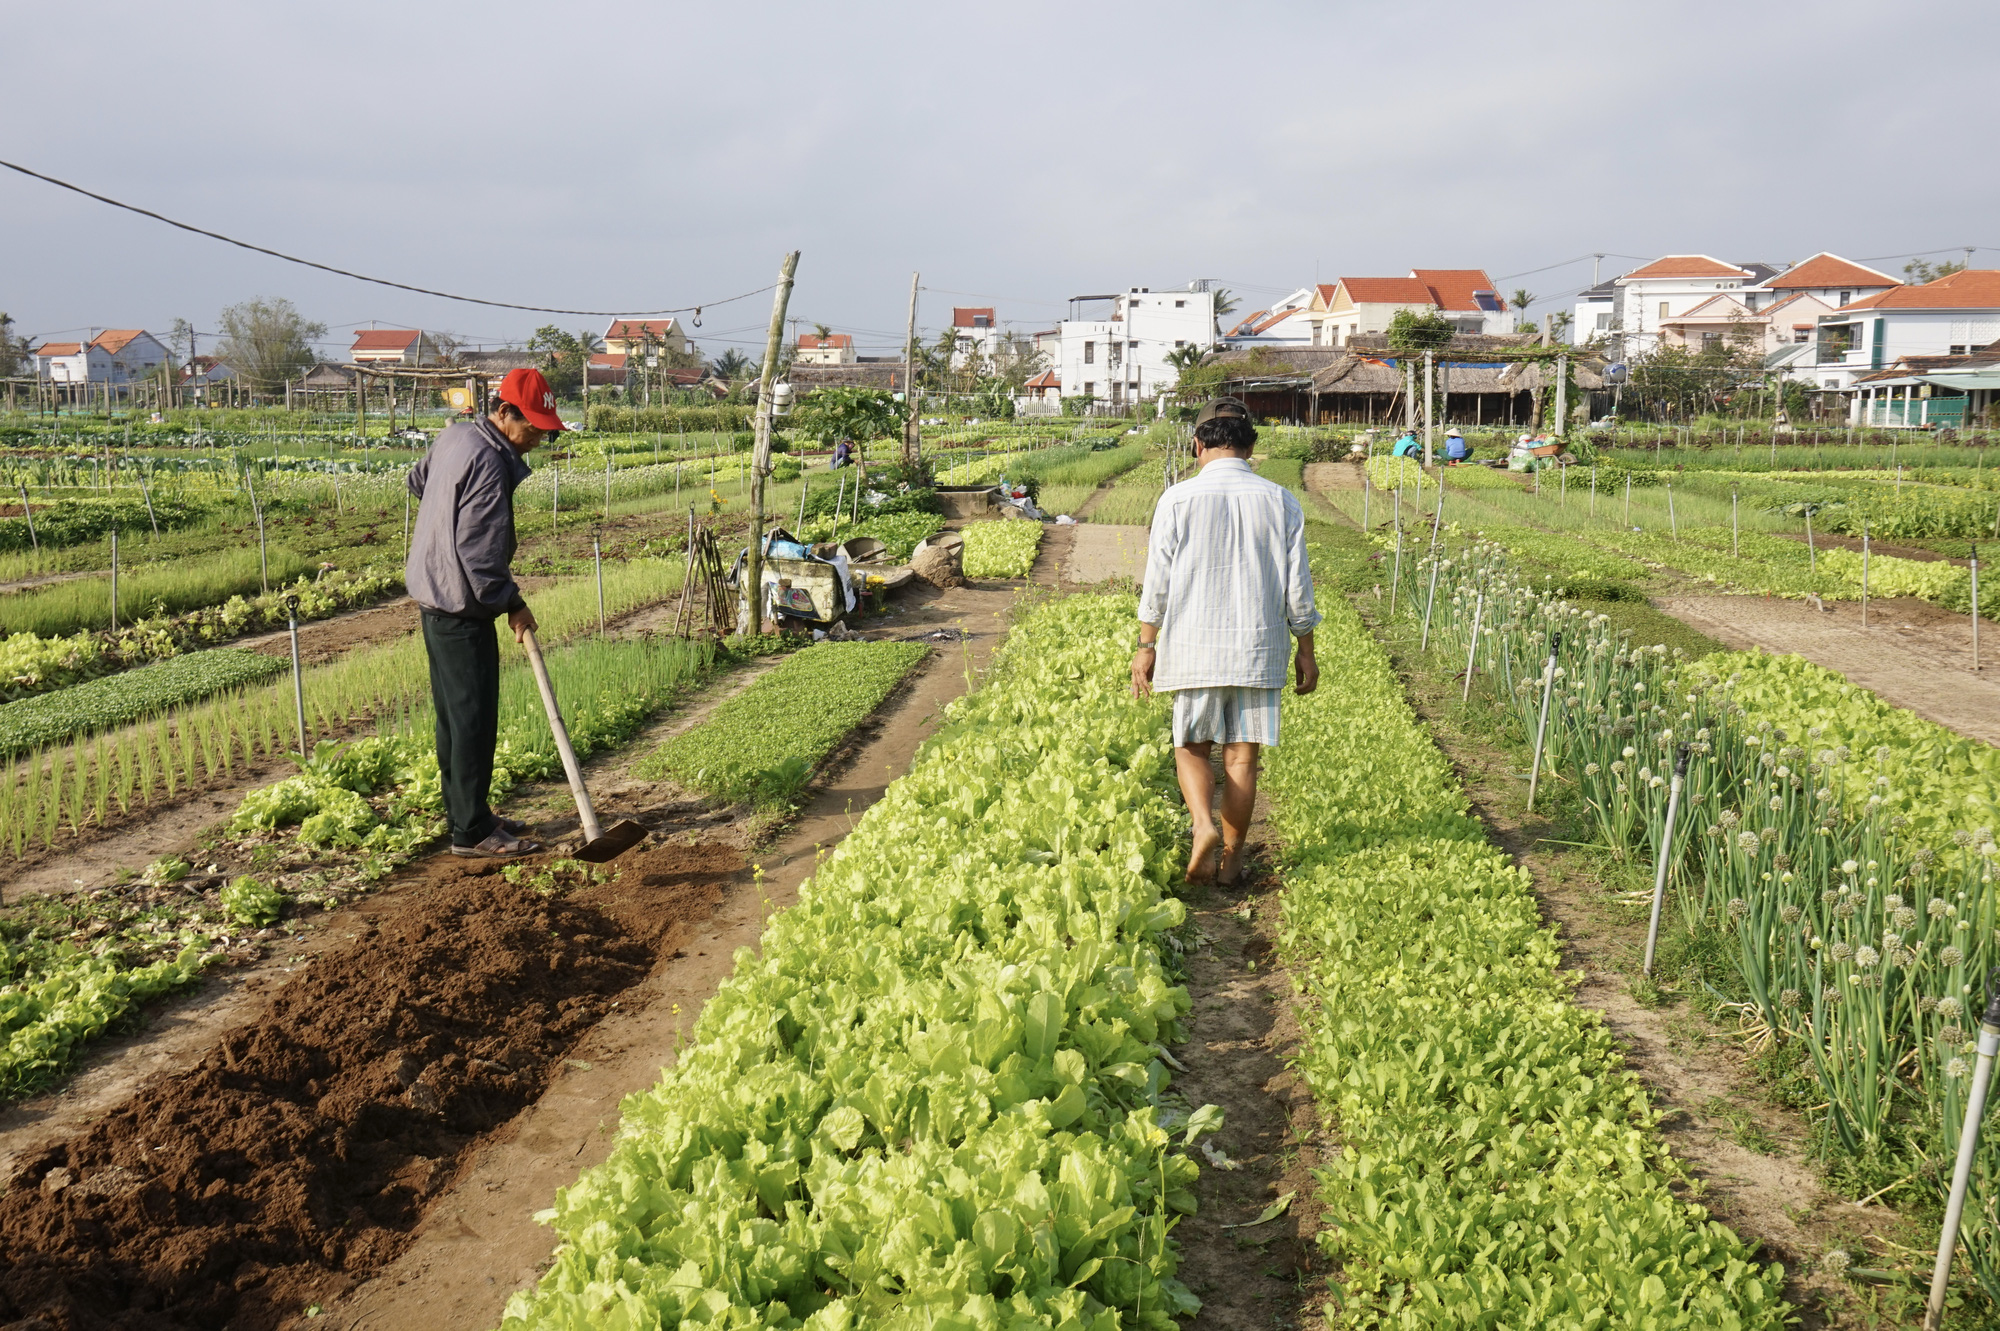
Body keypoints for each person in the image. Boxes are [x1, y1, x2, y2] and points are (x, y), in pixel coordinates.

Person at [1133, 397, 1319, 885]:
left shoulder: (1177, 498)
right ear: (1251, 446)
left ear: (1197, 445)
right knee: (1242, 756)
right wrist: (1306, 649)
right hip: (1258, 648)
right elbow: (1297, 587)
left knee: (1192, 746)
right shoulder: (1281, 500)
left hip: (1193, 645)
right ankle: (1233, 857)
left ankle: (1202, 826)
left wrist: (1146, 644)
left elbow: (1158, 581)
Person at [406, 367, 562, 858]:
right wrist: (512, 603)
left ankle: (467, 812)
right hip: (461, 606)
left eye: (544, 428)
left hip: (433, 596)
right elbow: (479, 552)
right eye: (531, 425)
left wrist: (442, 511)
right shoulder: (493, 464)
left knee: (453, 719)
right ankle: (471, 833)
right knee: (472, 719)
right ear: (502, 412)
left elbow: (417, 480)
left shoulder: (455, 437)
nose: (537, 436)